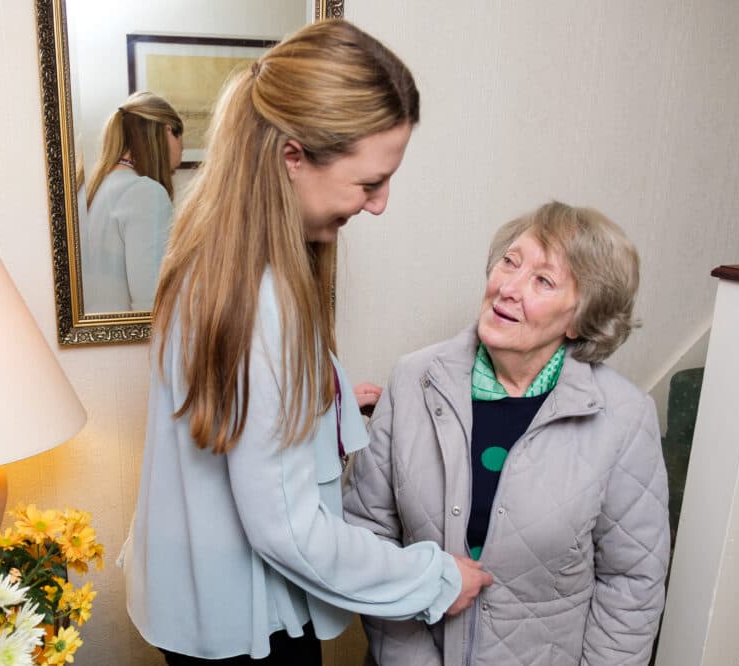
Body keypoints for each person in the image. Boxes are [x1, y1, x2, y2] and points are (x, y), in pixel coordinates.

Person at [120, 19, 493, 665]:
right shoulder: (263, 299)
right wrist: (434, 580)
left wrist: (332, 401)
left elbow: (235, 401)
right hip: (253, 628)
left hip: (194, 600)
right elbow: (289, 530)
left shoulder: (210, 252)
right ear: (294, 156)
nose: (378, 204)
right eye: (369, 182)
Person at [343, 201, 671, 665]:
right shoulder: (413, 379)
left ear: (581, 318)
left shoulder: (624, 417)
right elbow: (368, 533)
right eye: (510, 262)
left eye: (543, 280)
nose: (508, 288)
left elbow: (631, 584)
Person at [80, 91, 183, 312]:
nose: (181, 146)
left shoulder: (103, 187)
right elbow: (152, 302)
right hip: (132, 343)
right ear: (167, 130)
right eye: (179, 135)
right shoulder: (146, 193)